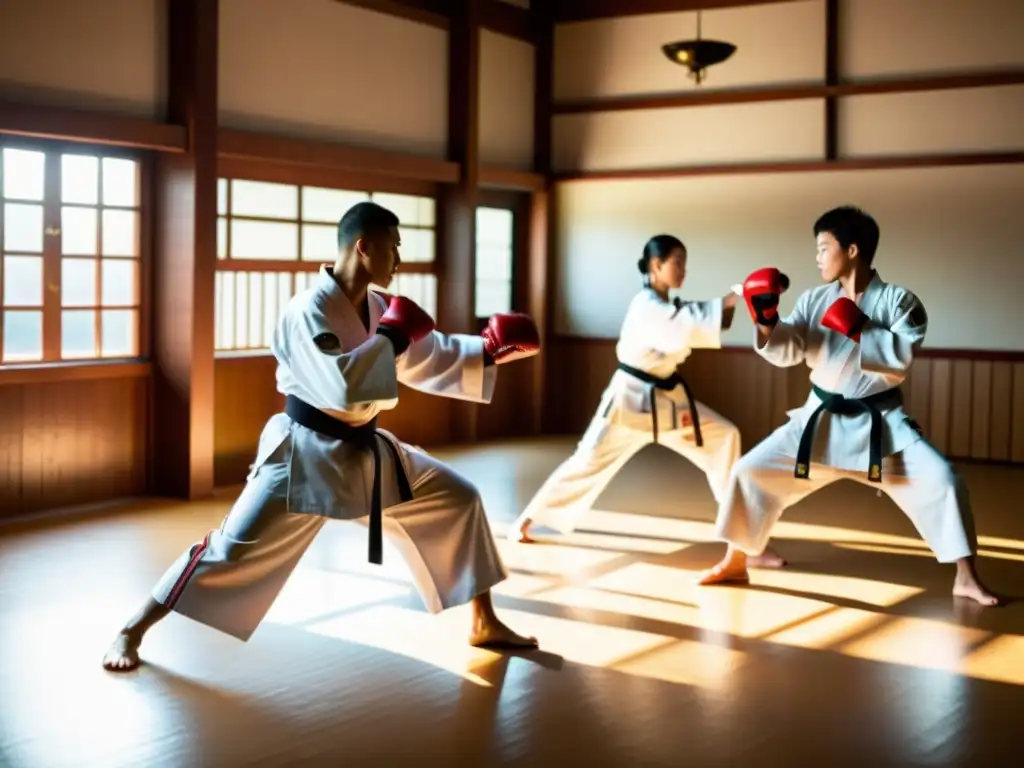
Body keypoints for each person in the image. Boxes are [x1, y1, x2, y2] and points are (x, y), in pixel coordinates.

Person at [103, 201, 543, 672]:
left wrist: (490, 351)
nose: (399, 259)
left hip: (366, 451)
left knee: (459, 498)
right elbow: (344, 385)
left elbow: (425, 354)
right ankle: (132, 629)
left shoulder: (377, 307)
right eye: (393, 247)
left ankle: (484, 621)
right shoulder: (308, 311)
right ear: (363, 247)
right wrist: (393, 339)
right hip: (303, 454)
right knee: (229, 550)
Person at [698, 205, 999, 606]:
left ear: (852, 249)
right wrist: (766, 319)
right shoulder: (814, 299)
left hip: (880, 428)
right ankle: (736, 559)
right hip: (817, 423)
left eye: (823, 247)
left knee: (944, 481)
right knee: (749, 471)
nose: (817, 257)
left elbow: (901, 360)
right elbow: (789, 349)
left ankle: (966, 577)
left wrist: (859, 327)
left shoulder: (900, 302)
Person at [511, 234, 768, 553]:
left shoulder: (668, 306)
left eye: (685, 264)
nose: (684, 270)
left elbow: (695, 320)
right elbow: (686, 325)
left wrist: (740, 301)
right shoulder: (646, 305)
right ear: (655, 266)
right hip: (629, 403)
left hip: (667, 403)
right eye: (678, 263)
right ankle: (530, 519)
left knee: (724, 438)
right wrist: (735, 296)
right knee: (588, 460)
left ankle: (742, 536)